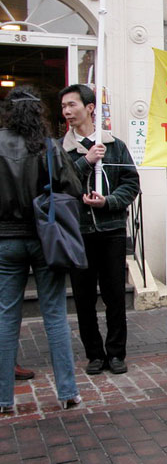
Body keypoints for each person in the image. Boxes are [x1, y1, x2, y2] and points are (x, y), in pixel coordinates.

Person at [0, 86, 82, 412]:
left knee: (6, 317)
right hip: (47, 239)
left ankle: (4, 399)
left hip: (6, 240)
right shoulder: (49, 147)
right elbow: (73, 188)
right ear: (38, 113)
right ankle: (67, 392)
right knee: (55, 314)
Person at [59, 84, 140, 375]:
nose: (67, 111)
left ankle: (116, 353)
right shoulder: (61, 149)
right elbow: (59, 185)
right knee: (83, 298)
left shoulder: (115, 145)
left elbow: (131, 183)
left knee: (115, 295)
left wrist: (108, 202)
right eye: (64, 107)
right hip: (77, 233)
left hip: (111, 230)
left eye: (72, 105)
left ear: (90, 107)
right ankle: (94, 354)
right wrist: (86, 161)